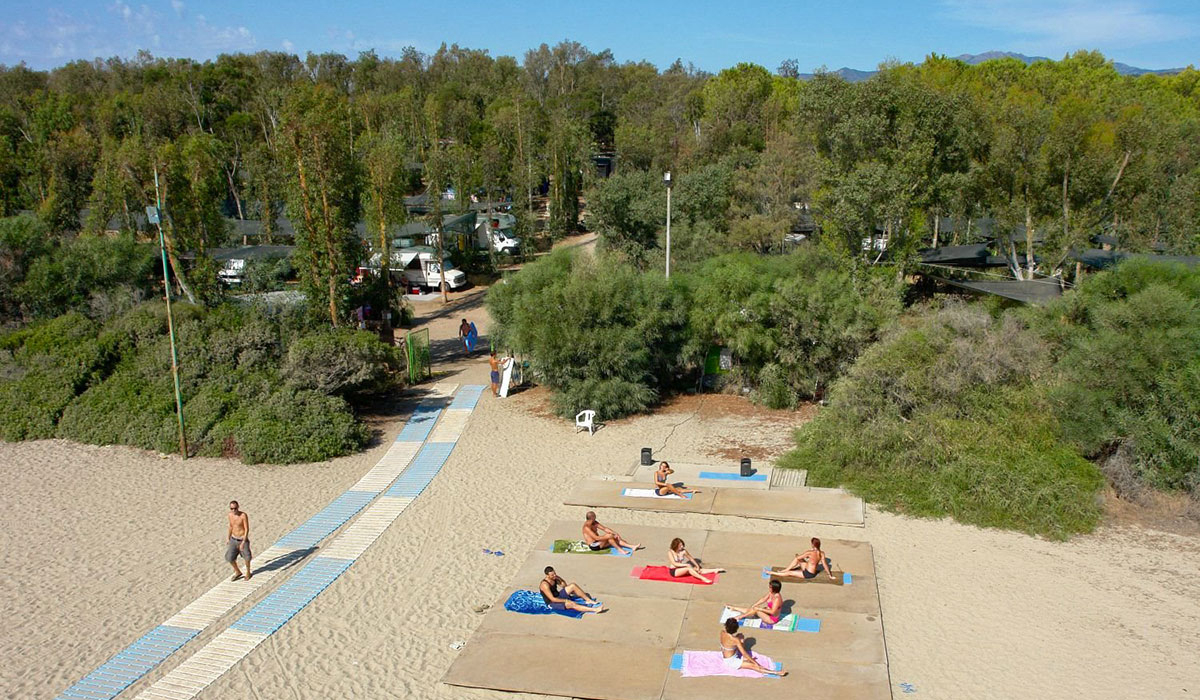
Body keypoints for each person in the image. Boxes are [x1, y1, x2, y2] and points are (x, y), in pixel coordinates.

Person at [720, 617, 787, 676]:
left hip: (728, 654)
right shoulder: (735, 640)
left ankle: (744, 660)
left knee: (740, 637)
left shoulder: (722, 632)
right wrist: (755, 663)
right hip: (731, 662)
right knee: (754, 666)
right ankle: (776, 672)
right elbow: (744, 653)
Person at [539, 566, 606, 614]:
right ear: (547, 576)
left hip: (558, 596)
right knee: (571, 604)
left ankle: (588, 600)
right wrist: (566, 600)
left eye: (555, 573)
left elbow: (565, 586)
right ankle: (595, 610)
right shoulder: (545, 585)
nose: (555, 575)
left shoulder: (555, 578)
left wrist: (559, 579)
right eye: (552, 575)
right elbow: (552, 599)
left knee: (572, 585)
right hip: (552, 603)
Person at [225, 500, 252, 581]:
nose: (234, 510)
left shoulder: (243, 515)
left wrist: (243, 541)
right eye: (232, 509)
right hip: (233, 539)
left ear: (238, 507)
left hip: (242, 539)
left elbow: (247, 529)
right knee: (229, 557)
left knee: (247, 557)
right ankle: (237, 571)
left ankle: (248, 572)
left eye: (235, 508)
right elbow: (230, 526)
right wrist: (228, 538)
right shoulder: (230, 515)